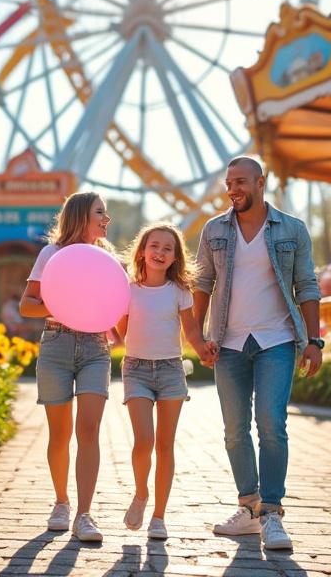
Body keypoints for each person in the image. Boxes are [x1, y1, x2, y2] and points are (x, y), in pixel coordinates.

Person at [193, 157, 322, 551]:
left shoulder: (292, 229)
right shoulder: (214, 230)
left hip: (276, 341)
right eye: (229, 182)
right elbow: (201, 283)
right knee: (234, 432)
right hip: (228, 343)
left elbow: (307, 285)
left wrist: (314, 341)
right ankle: (248, 508)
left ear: (261, 183)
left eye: (242, 182)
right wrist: (198, 338)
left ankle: (272, 513)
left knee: (271, 424)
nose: (233, 189)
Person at [19, 191, 113, 542]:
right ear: (80, 216)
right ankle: (62, 503)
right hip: (56, 343)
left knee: (88, 430)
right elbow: (27, 306)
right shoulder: (51, 254)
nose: (107, 219)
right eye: (100, 212)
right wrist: (61, 304)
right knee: (60, 434)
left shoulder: (107, 258)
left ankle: (85, 515)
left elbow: (114, 304)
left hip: (95, 347)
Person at [115, 223, 210, 541]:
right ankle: (141, 494)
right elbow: (119, 333)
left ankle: (159, 516)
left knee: (165, 445)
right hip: (137, 370)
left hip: (171, 371)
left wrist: (204, 350)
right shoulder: (127, 289)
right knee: (143, 442)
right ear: (142, 250)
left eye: (167, 249)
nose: (159, 252)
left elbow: (192, 331)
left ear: (175, 257)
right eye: (154, 246)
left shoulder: (179, 291)